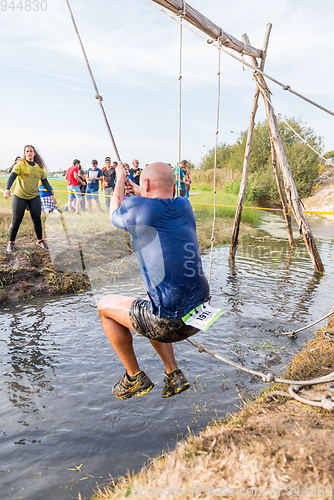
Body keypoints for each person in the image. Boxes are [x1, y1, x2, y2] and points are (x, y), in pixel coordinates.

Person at [97, 161, 210, 400]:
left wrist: (119, 179)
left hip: (171, 323)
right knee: (148, 305)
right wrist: (139, 191)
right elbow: (160, 200)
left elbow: (114, 211)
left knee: (104, 306)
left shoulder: (137, 207)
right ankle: (173, 373)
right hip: (201, 315)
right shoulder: (184, 205)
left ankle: (134, 377)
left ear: (146, 182)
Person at [3, 145, 57, 252]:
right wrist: (7, 189)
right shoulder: (20, 165)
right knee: (16, 220)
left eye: (31, 151)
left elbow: (45, 181)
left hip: (34, 196)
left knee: (37, 219)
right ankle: (11, 243)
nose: (29, 153)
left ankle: (40, 240)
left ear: (34, 153)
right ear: (25, 153)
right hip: (20, 196)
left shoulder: (38, 168)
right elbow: (12, 176)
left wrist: (51, 194)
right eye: (27, 151)